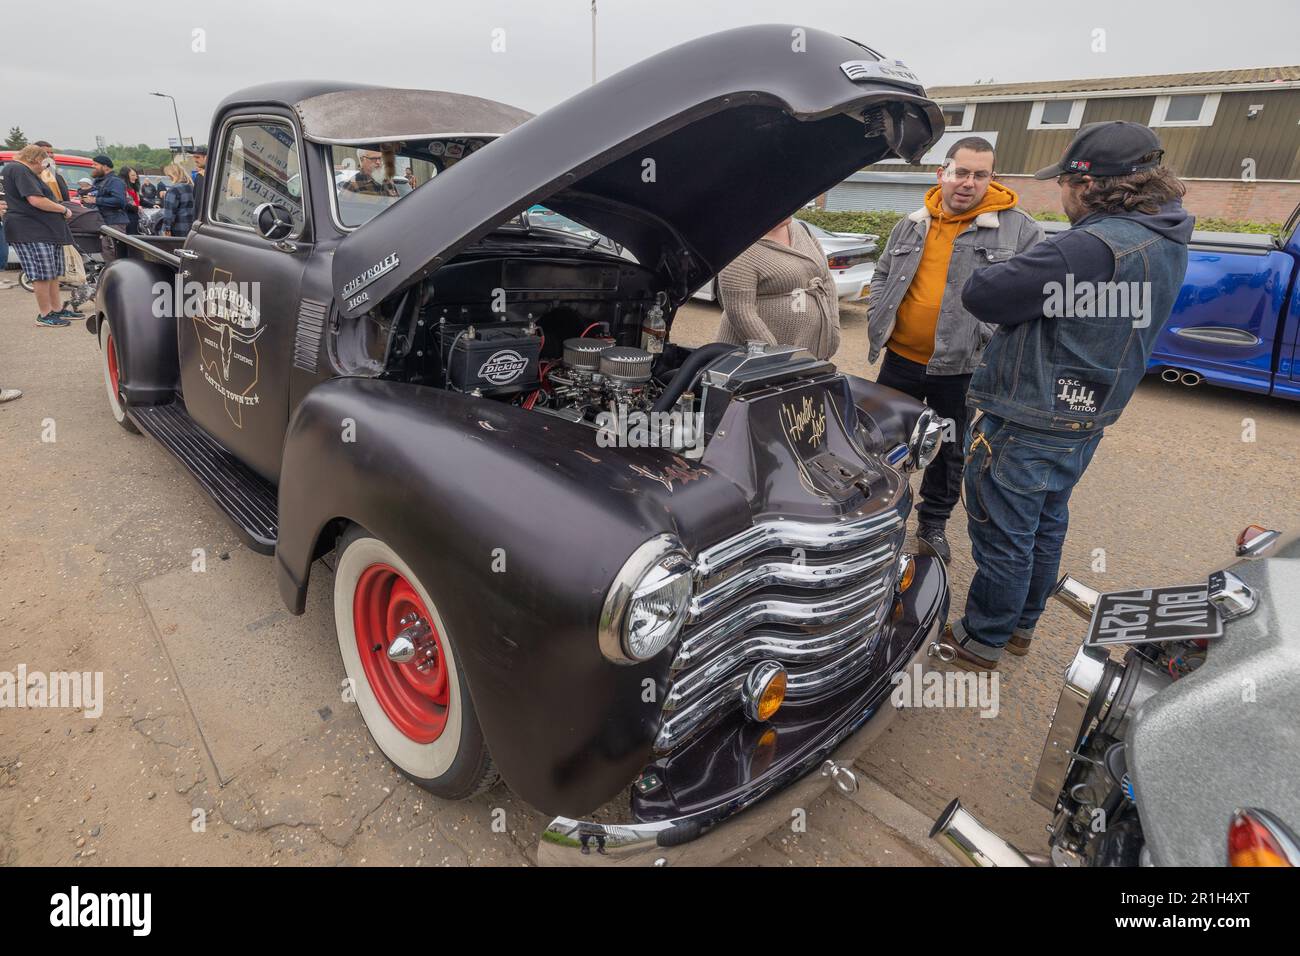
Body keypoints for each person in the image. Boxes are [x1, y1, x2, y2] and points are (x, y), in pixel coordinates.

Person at [932, 122, 1193, 671]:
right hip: (1086, 411)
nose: (1061, 194)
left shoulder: (1092, 246)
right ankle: (1021, 627)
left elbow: (987, 295)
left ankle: (982, 638)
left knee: (1004, 533)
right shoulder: (1166, 236)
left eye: (1064, 184)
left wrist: (1006, 267)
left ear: (1090, 185)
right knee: (1045, 522)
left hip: (1032, 413)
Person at [867, 137, 1043, 562]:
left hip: (961, 367)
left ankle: (933, 525)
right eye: (960, 172)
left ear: (991, 178)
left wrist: (988, 334)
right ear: (941, 173)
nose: (969, 182)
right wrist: (878, 311)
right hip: (901, 360)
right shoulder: (913, 223)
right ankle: (878, 516)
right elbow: (884, 271)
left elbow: (1034, 294)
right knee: (880, 440)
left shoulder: (1019, 228)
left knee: (949, 448)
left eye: (980, 174)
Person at [715, 215, 841, 360]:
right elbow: (741, 311)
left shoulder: (802, 230)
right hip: (754, 356)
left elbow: (826, 279)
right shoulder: (740, 245)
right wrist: (774, 355)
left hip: (804, 352)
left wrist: (833, 331)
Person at [1, 145, 76, 326]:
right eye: (44, 162)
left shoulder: (19, 170)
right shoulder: (18, 169)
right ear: (35, 159)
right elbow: (35, 199)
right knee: (41, 273)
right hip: (30, 229)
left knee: (51, 273)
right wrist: (63, 209)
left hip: (42, 229)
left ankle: (56, 309)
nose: (44, 167)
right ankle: (45, 314)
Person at [83, 155, 129, 230]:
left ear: (105, 167)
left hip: (114, 224)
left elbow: (120, 201)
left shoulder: (115, 181)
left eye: (95, 164)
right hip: (101, 222)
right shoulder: (98, 181)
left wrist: (95, 200)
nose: (92, 166)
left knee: (107, 242)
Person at [159, 163, 195, 237]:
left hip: (178, 229)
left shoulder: (173, 190)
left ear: (172, 175)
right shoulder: (193, 187)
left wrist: (166, 229)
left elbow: (169, 213)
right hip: (193, 230)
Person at [120, 166, 143, 234]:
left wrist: (153, 205)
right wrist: (136, 208)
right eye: (133, 175)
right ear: (125, 176)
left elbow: (140, 200)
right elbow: (123, 204)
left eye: (136, 175)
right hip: (127, 217)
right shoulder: (121, 188)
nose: (136, 177)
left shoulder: (133, 187)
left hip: (135, 216)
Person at [190, 145, 208, 219]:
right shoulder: (214, 174)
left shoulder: (201, 176)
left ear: (206, 158)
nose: (195, 160)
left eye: (197, 157)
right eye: (194, 157)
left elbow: (198, 202)